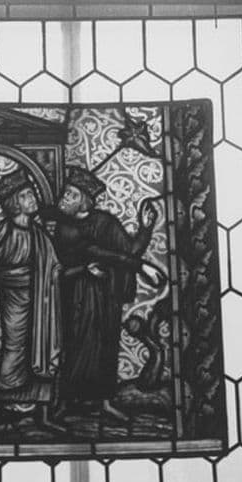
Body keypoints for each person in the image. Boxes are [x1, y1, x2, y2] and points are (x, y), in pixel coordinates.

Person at [47, 166, 161, 420]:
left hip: (105, 294)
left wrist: (145, 229)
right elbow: (93, 252)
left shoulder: (105, 222)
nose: (64, 198)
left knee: (107, 345)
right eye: (65, 193)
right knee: (73, 346)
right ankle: (65, 401)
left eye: (71, 194)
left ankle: (105, 402)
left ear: (84, 201)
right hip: (75, 295)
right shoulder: (65, 228)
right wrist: (141, 267)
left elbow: (128, 250)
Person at [0, 167, 63, 435]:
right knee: (12, 353)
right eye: (26, 195)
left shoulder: (39, 234)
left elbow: (54, 267)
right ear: (14, 203)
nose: (33, 198)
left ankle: (43, 415)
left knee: (43, 349)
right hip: (12, 302)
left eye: (32, 194)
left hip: (42, 303)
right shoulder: (3, 232)